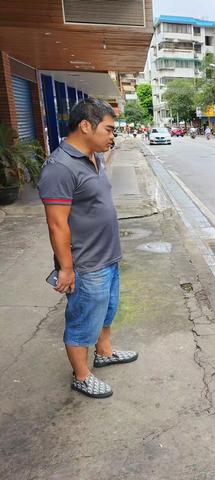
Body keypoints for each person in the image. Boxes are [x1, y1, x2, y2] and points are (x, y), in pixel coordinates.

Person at [37, 98, 138, 399]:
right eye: (108, 129)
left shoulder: (95, 157)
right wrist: (66, 268)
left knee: (106, 311)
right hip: (86, 263)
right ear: (85, 126)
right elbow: (57, 225)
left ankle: (104, 352)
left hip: (108, 256)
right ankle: (81, 375)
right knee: (83, 320)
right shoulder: (59, 168)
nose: (112, 136)